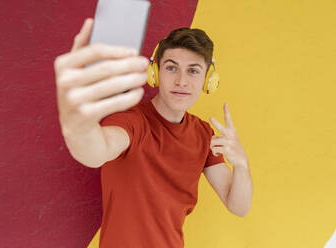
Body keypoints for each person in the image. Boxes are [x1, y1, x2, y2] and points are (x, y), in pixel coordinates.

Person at [54, 18, 253, 248]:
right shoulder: (131, 122)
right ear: (155, 72)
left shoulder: (203, 135)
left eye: (193, 71)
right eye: (171, 67)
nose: (181, 81)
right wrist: (75, 122)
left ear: (208, 79)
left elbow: (239, 206)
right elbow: (95, 152)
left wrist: (241, 164)